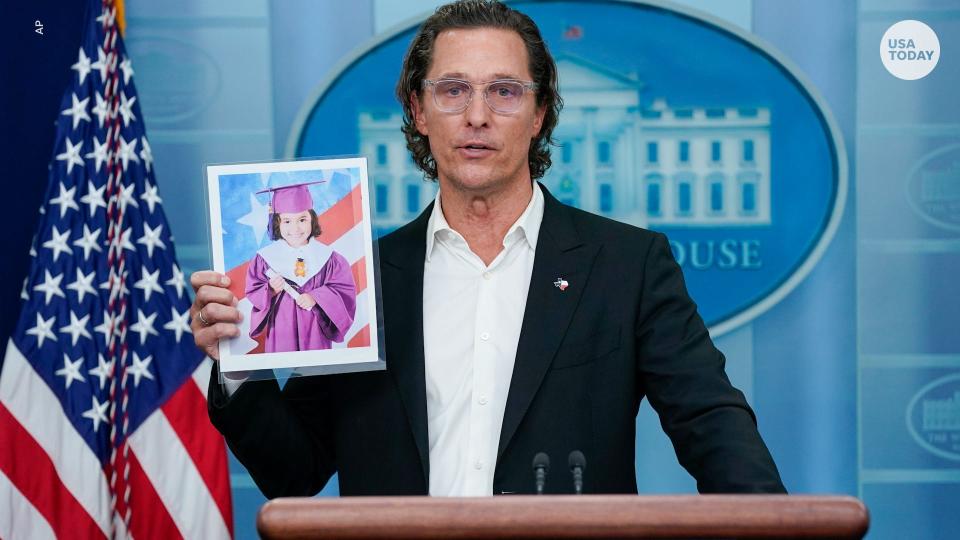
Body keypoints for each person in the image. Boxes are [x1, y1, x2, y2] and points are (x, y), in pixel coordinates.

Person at [190, 0, 785, 497]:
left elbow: (710, 424)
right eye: (453, 90)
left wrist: (772, 526)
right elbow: (293, 472)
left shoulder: (628, 265)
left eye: (504, 91)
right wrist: (239, 360)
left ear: (538, 114)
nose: (477, 116)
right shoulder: (365, 278)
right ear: (419, 112)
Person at [244, 181, 357, 353]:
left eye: (302, 219)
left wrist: (316, 297)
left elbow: (344, 292)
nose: (295, 228)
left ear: (312, 219)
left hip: (316, 332)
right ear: (277, 223)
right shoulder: (265, 259)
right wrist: (270, 290)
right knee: (285, 374)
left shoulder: (331, 259)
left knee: (318, 375)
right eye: (287, 221)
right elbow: (253, 291)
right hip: (281, 329)